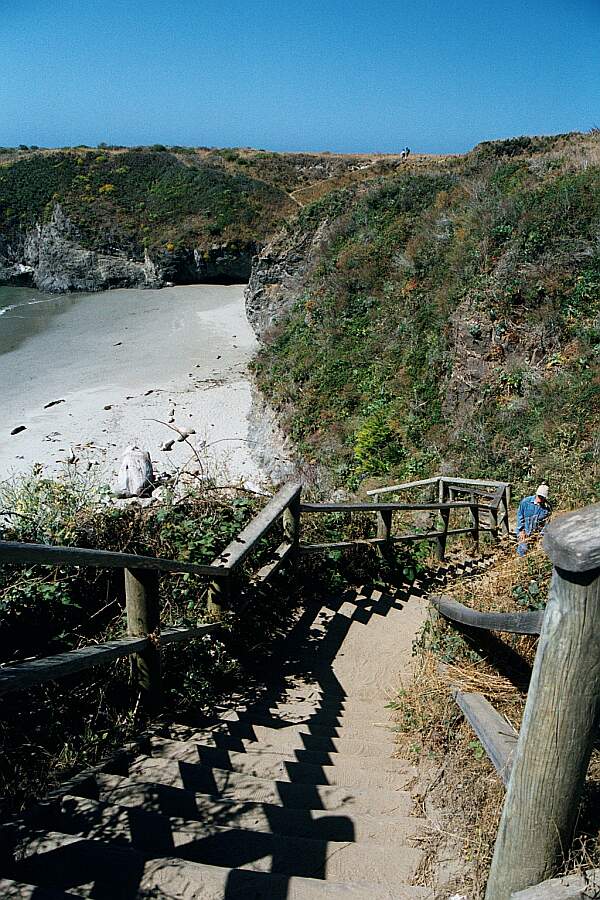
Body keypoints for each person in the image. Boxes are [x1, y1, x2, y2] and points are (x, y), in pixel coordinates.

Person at [516, 483, 551, 556]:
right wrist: (521, 531)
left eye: (542, 497)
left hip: (536, 533)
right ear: (536, 494)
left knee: (536, 552)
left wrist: (541, 536)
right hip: (524, 531)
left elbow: (546, 524)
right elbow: (520, 516)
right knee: (523, 549)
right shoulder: (525, 502)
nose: (540, 499)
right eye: (539, 496)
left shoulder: (547, 509)